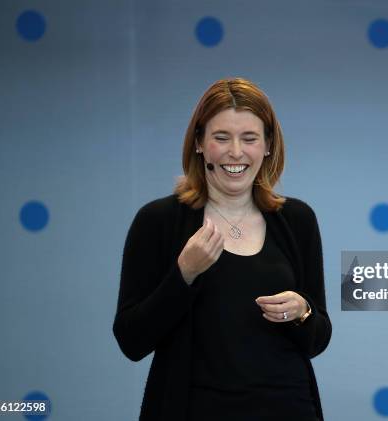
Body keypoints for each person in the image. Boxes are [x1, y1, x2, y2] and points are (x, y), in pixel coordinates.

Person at [113, 77, 332, 421]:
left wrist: (303, 312)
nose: (235, 152)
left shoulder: (297, 219)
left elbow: (318, 339)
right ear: (199, 143)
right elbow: (131, 340)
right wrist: (183, 274)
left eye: (249, 138)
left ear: (268, 146)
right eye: (221, 137)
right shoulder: (158, 221)